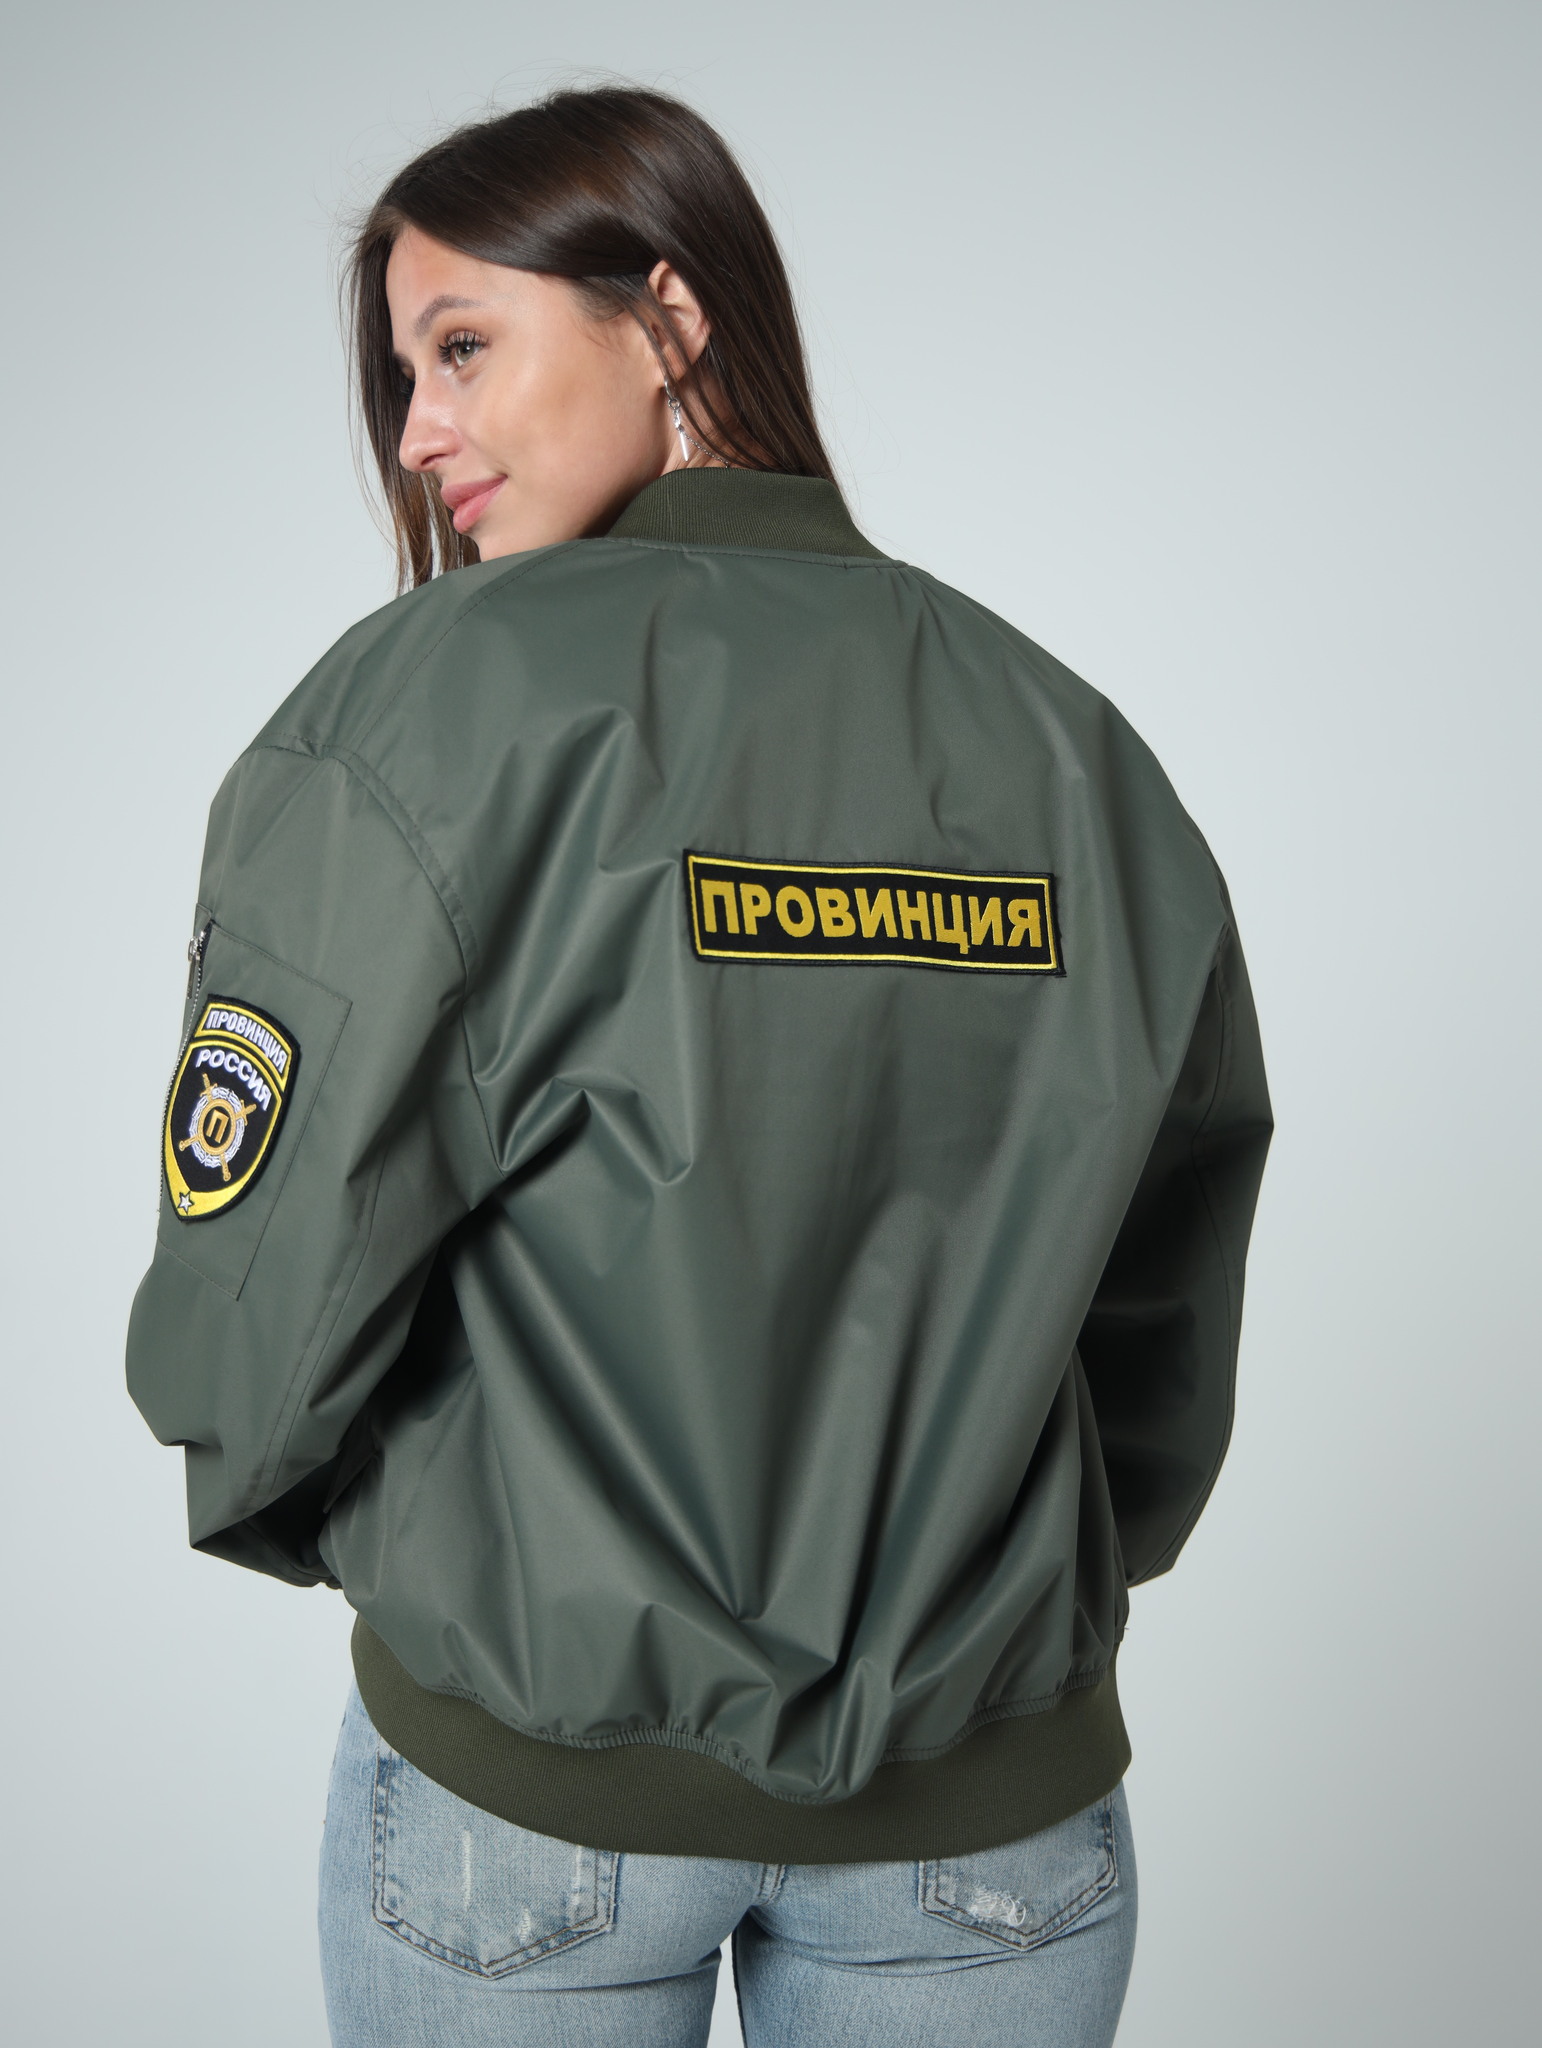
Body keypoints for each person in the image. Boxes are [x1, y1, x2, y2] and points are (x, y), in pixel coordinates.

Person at [126, 85, 1271, 2048]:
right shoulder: (1067, 745)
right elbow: (1166, 1292)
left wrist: (380, 1543)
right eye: (403, 374)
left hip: (530, 1794)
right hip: (989, 1815)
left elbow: (257, 1282)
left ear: (667, 316)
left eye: (461, 347)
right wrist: (999, 1592)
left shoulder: (425, 709)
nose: (415, 432)